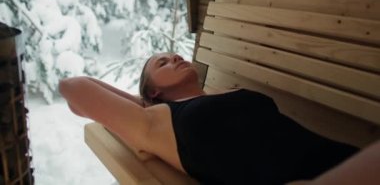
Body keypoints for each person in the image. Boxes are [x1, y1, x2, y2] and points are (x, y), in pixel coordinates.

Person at [59, 52, 380, 185]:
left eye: (174, 54)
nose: (175, 57)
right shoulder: (159, 121)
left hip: (342, 159)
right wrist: (139, 102)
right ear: (153, 92)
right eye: (163, 63)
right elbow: (73, 88)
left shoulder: (224, 92)